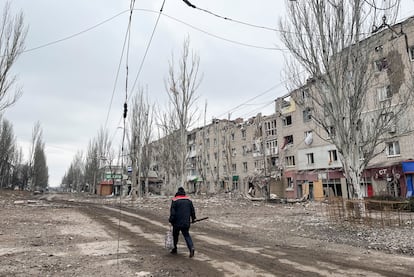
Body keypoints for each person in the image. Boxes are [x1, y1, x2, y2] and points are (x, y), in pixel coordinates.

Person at [169, 187, 196, 258]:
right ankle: (191, 248)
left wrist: (171, 220)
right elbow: (192, 211)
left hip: (176, 222)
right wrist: (193, 219)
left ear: (177, 192)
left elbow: (173, 212)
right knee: (186, 235)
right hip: (186, 222)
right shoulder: (188, 200)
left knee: (175, 235)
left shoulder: (175, 200)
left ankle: (174, 248)